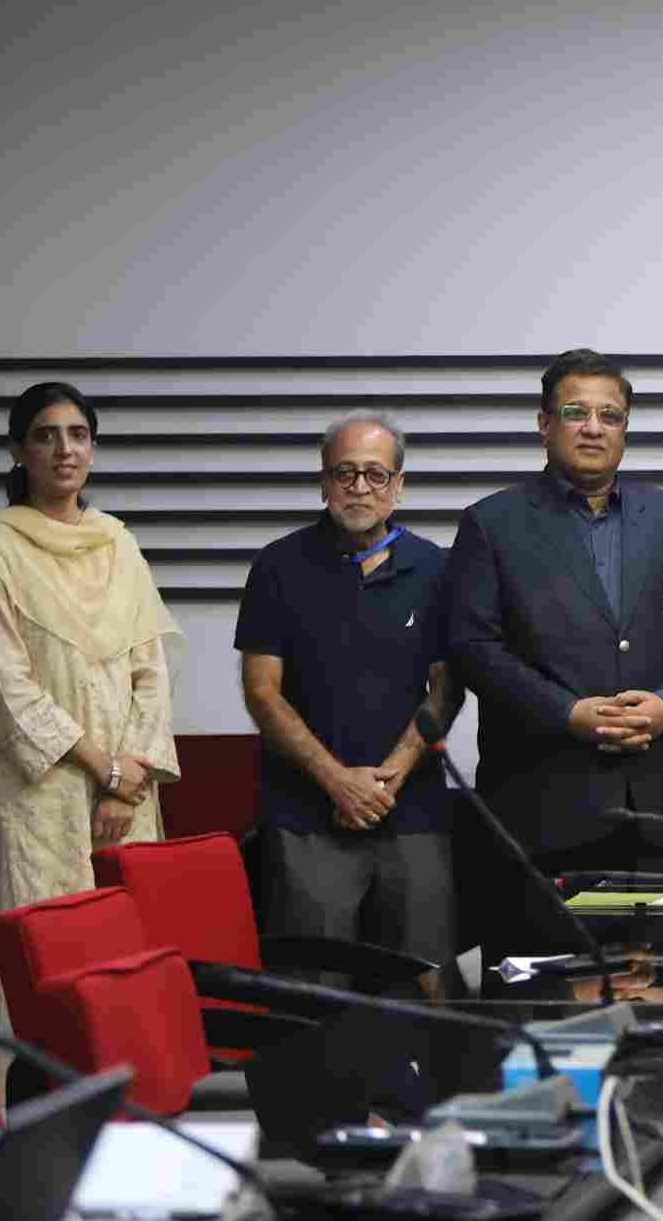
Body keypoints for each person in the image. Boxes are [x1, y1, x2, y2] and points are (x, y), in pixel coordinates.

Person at [443, 350, 663, 927]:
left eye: (610, 415)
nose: (594, 427)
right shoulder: (492, 524)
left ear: (625, 427)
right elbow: (476, 647)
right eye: (576, 412)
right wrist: (566, 713)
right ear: (544, 424)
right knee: (551, 978)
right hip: (544, 813)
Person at [0, 382, 181, 1034]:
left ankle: (125, 1093)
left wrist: (125, 781)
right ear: (18, 450)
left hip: (125, 802)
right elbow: (1, 687)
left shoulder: (117, 544)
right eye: (46, 435)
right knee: (42, 974)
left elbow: (151, 673)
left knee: (122, 973)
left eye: (78, 435)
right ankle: (33, 1092)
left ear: (93, 448)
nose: (64, 450)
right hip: (37, 796)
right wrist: (104, 768)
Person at [234, 410, 462, 968]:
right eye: (345, 473)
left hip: (411, 814)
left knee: (422, 985)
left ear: (399, 485)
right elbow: (262, 691)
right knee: (316, 991)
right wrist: (338, 782)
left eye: (376, 474)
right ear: (323, 481)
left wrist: (388, 779)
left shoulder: (436, 568)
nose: (360, 486)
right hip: (307, 818)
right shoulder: (278, 566)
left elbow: (448, 686)